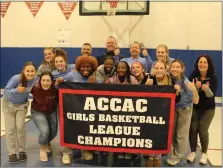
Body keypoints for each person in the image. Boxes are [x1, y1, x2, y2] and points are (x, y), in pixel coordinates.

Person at [131, 61, 181, 167]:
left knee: (160, 133)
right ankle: (150, 155)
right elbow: (139, 95)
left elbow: (176, 100)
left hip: (164, 112)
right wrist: (145, 86)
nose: (159, 70)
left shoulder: (170, 79)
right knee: (150, 133)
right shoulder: (148, 78)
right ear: (153, 69)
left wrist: (177, 92)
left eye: (161, 68)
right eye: (156, 68)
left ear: (165, 69)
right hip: (149, 112)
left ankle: (157, 156)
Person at [56, 55, 101, 164]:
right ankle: (66, 153)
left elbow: (102, 95)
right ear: (78, 67)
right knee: (68, 129)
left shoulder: (97, 78)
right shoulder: (72, 75)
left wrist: (95, 85)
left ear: (93, 67)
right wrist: (58, 82)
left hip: (87, 111)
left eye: (88, 67)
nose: (85, 69)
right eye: (83, 66)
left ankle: (86, 150)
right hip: (71, 109)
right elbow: (59, 87)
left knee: (87, 130)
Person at [2, 62, 37, 164]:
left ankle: (21, 151)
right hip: (8, 105)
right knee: (10, 130)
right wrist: (16, 90)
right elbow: (6, 91)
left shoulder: (35, 80)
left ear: (35, 72)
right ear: (23, 71)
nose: (30, 73)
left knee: (20, 127)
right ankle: (12, 153)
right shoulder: (16, 78)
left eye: (32, 71)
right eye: (28, 71)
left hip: (22, 105)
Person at [167, 59, 199, 166]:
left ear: (182, 69)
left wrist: (194, 89)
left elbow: (196, 101)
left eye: (177, 67)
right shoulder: (168, 79)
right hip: (172, 109)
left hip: (185, 109)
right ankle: (172, 153)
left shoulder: (187, 83)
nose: (175, 69)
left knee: (181, 134)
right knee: (171, 133)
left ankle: (177, 156)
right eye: (173, 67)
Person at [187, 55, 218, 164]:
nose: (202, 64)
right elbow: (189, 92)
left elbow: (211, 95)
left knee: (203, 130)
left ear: (208, 65)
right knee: (193, 129)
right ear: (197, 63)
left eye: (205, 62)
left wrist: (206, 89)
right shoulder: (193, 75)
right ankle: (192, 152)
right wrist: (196, 87)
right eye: (200, 62)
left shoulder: (213, 77)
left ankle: (204, 153)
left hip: (208, 109)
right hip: (195, 107)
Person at [31, 71, 58, 162]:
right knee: (45, 131)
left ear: (52, 82)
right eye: (43, 80)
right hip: (37, 111)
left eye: (48, 81)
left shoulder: (55, 88)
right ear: (40, 80)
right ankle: (42, 149)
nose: (45, 83)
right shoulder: (34, 87)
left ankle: (46, 142)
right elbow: (23, 91)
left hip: (51, 111)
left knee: (53, 132)